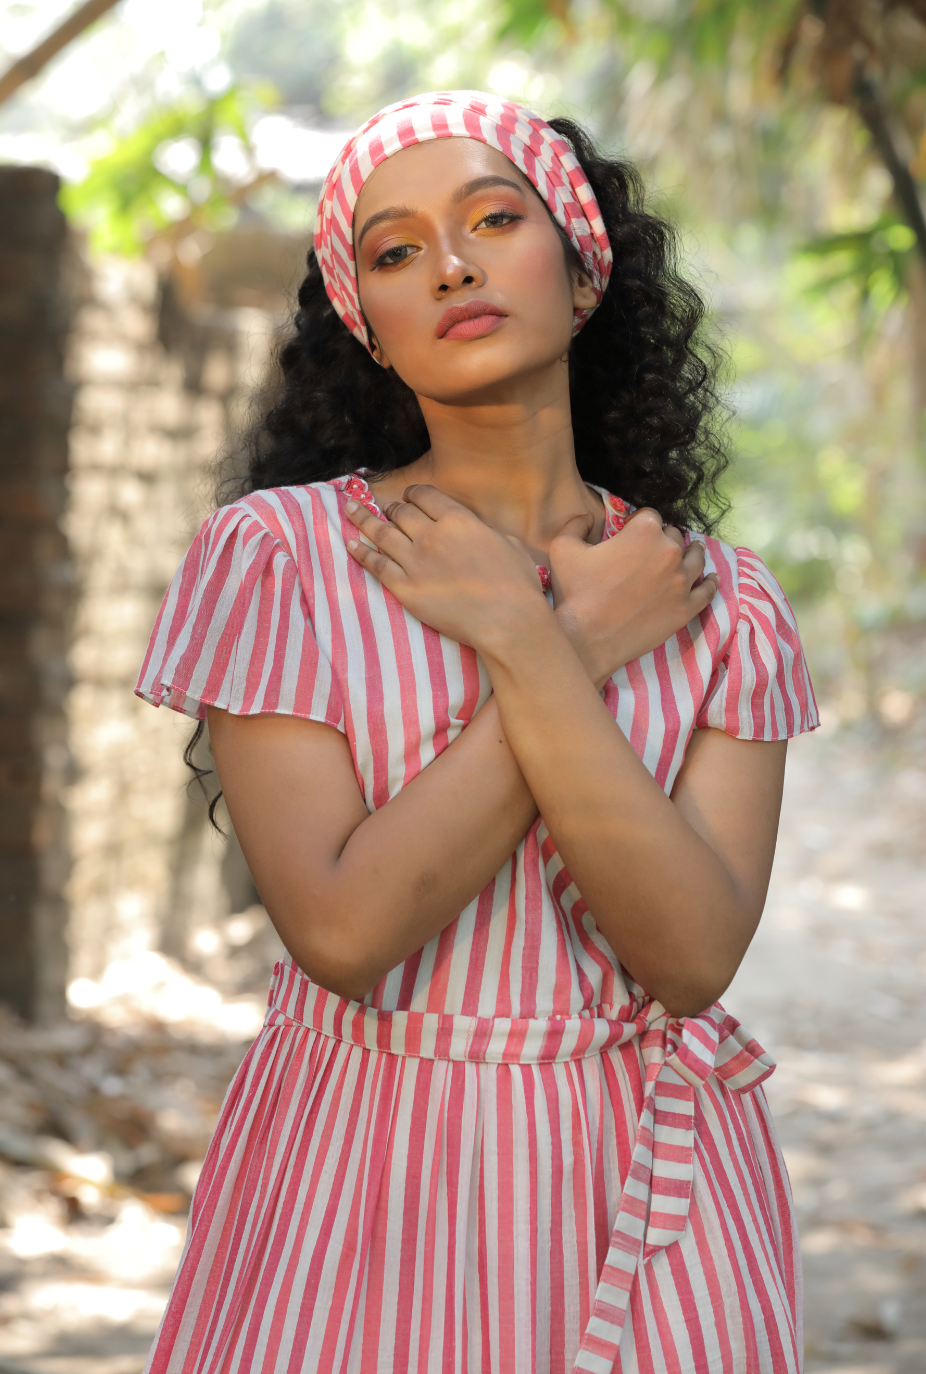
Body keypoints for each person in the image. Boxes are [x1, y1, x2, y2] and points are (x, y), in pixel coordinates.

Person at [136, 91, 817, 1374]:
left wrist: (528, 640)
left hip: (647, 1192)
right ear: (370, 332)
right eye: (394, 252)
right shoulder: (280, 560)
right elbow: (343, 931)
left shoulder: (721, 605)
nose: (448, 263)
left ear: (579, 271)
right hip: (359, 1177)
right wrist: (577, 647)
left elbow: (687, 957)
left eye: (494, 220)